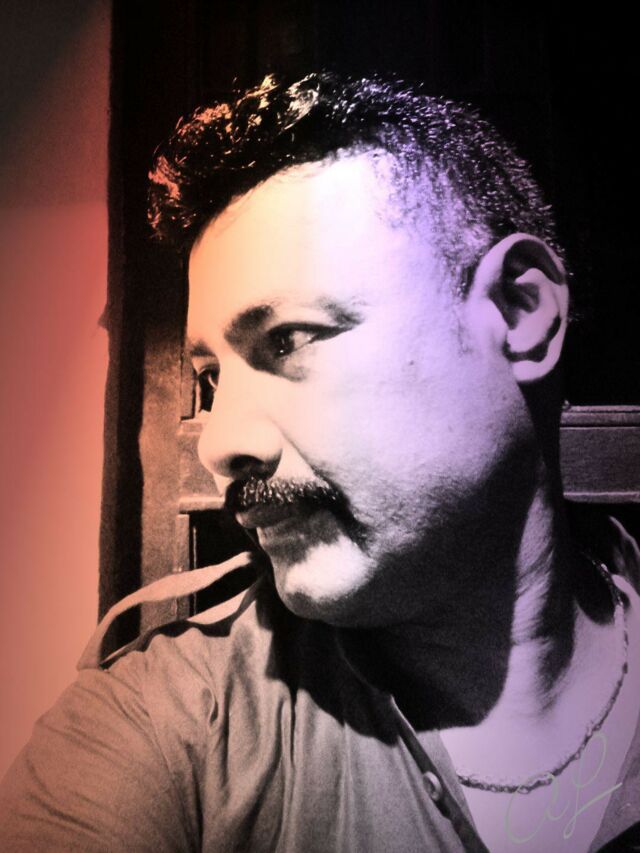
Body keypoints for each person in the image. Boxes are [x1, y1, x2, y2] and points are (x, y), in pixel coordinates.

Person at [1, 72, 639, 853]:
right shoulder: (163, 727)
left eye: (290, 339)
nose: (220, 443)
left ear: (519, 312)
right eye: (212, 378)